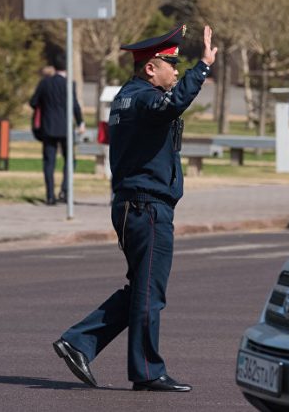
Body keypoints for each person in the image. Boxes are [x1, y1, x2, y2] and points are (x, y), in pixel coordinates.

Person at [52, 25, 217, 392]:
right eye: (170, 65)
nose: (175, 71)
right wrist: (202, 67)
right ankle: (146, 371)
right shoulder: (145, 99)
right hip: (147, 206)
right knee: (148, 294)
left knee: (140, 289)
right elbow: (174, 103)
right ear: (150, 68)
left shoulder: (127, 97)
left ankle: (78, 342)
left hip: (131, 205)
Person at [29, 53, 85, 206]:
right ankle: (65, 190)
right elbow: (74, 105)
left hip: (48, 127)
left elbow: (33, 102)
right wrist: (80, 122)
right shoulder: (69, 84)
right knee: (70, 160)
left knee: (49, 162)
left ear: (54, 67)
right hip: (66, 129)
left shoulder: (44, 83)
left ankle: (49, 196)